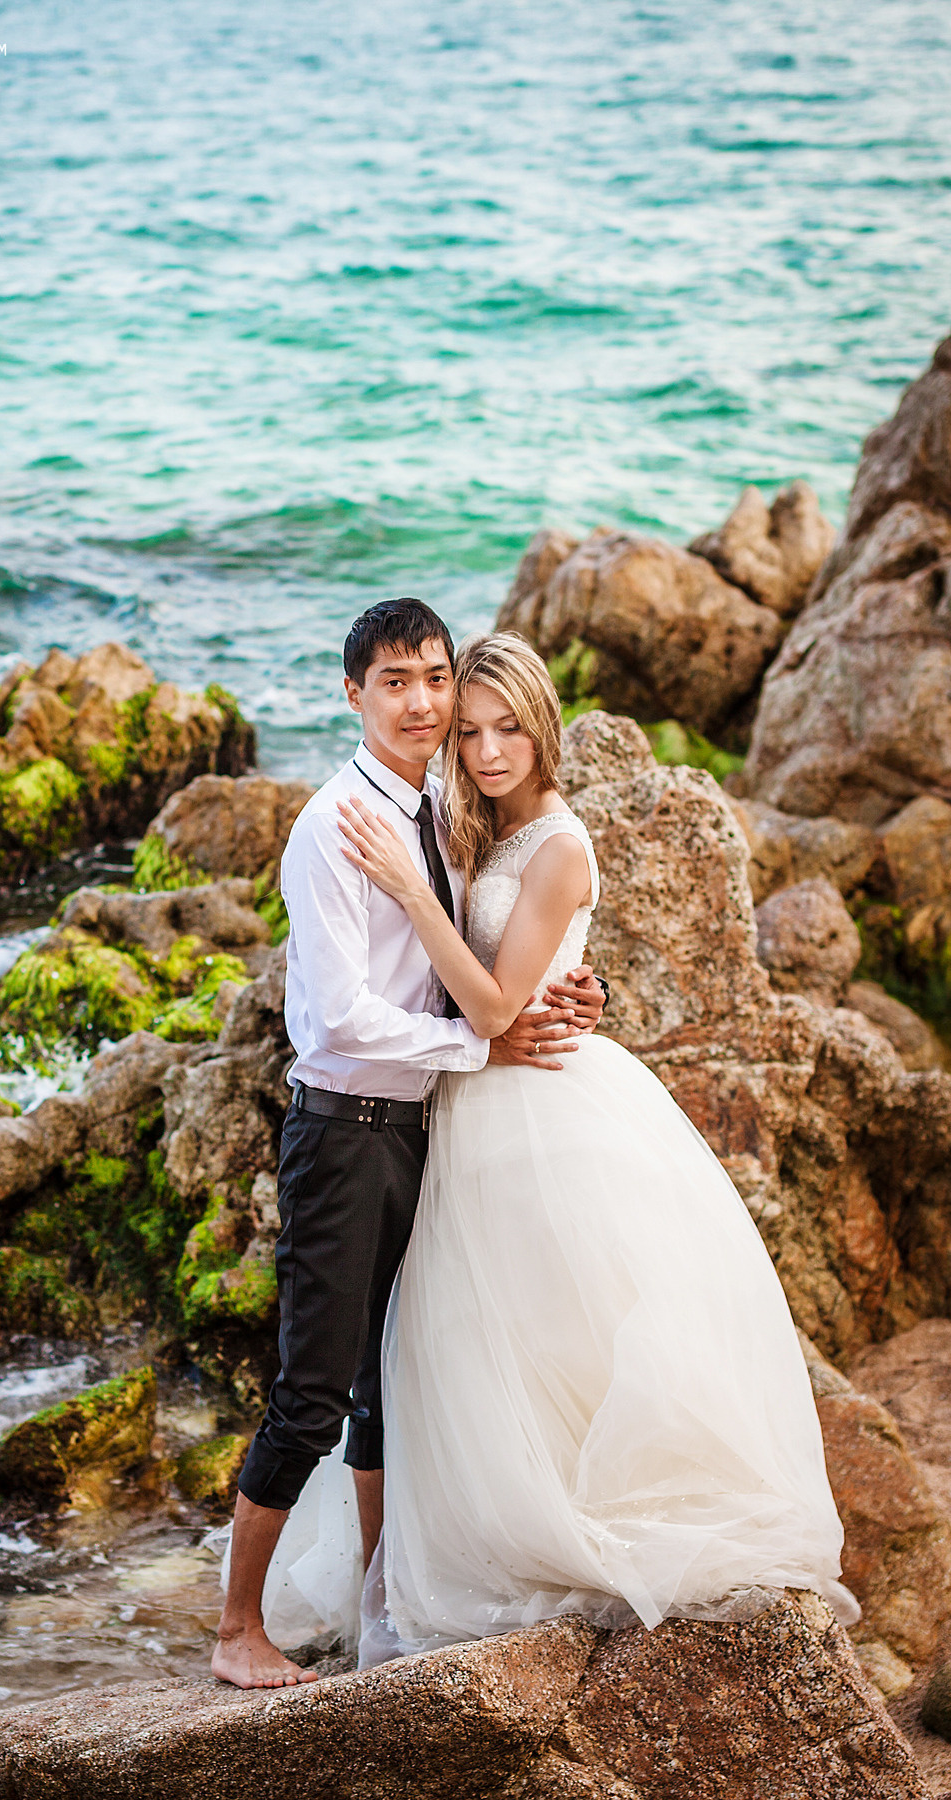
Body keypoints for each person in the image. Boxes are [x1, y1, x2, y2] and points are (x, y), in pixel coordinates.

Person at [324, 629, 857, 1659]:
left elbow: (488, 1006)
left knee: (540, 1323)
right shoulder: (468, 823)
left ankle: (556, 1520)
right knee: (466, 1335)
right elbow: (484, 989)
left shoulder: (560, 848)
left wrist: (410, 892)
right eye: (469, 732)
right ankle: (445, 1533)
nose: (486, 751)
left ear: (543, 727)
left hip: (538, 1109)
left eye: (508, 729)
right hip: (470, 1103)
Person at [210, 601, 608, 1689]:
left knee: (391, 1384)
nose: (427, 704)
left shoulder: (440, 801)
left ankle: (380, 1596)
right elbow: (338, 1020)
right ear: (354, 694)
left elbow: (494, 938)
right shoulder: (336, 824)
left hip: (423, 1128)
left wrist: (573, 981)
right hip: (345, 1131)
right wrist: (482, 1043)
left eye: (436, 677)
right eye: (398, 682)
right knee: (313, 1388)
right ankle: (239, 1629)